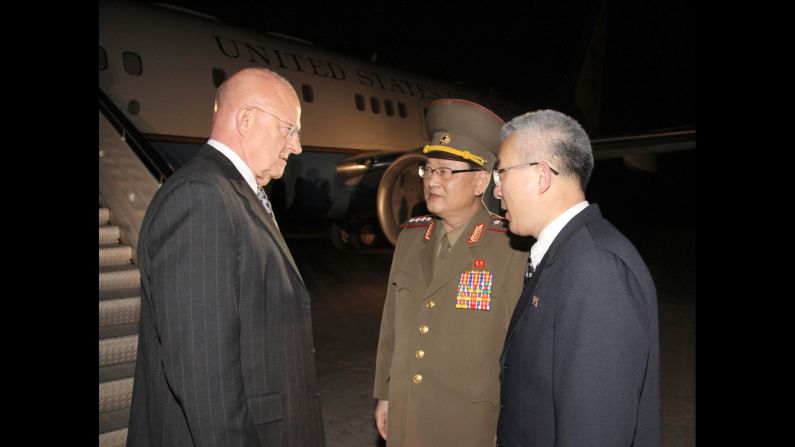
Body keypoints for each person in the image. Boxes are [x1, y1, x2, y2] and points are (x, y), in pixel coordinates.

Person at [127, 67, 325, 447]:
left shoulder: (229, 193)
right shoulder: (201, 199)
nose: (297, 146)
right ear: (246, 120)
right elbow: (204, 374)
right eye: (290, 129)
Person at [492, 109, 660, 446]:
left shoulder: (596, 269)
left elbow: (595, 431)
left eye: (502, 174)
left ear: (541, 176)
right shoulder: (568, 254)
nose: (497, 191)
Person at [373, 98, 530, 447]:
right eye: (428, 169)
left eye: (447, 171)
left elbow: (518, 350)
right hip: (408, 412)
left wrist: (508, 424)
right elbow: (391, 324)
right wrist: (385, 393)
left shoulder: (509, 247)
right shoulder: (411, 238)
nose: (432, 180)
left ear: (479, 182)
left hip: (468, 422)